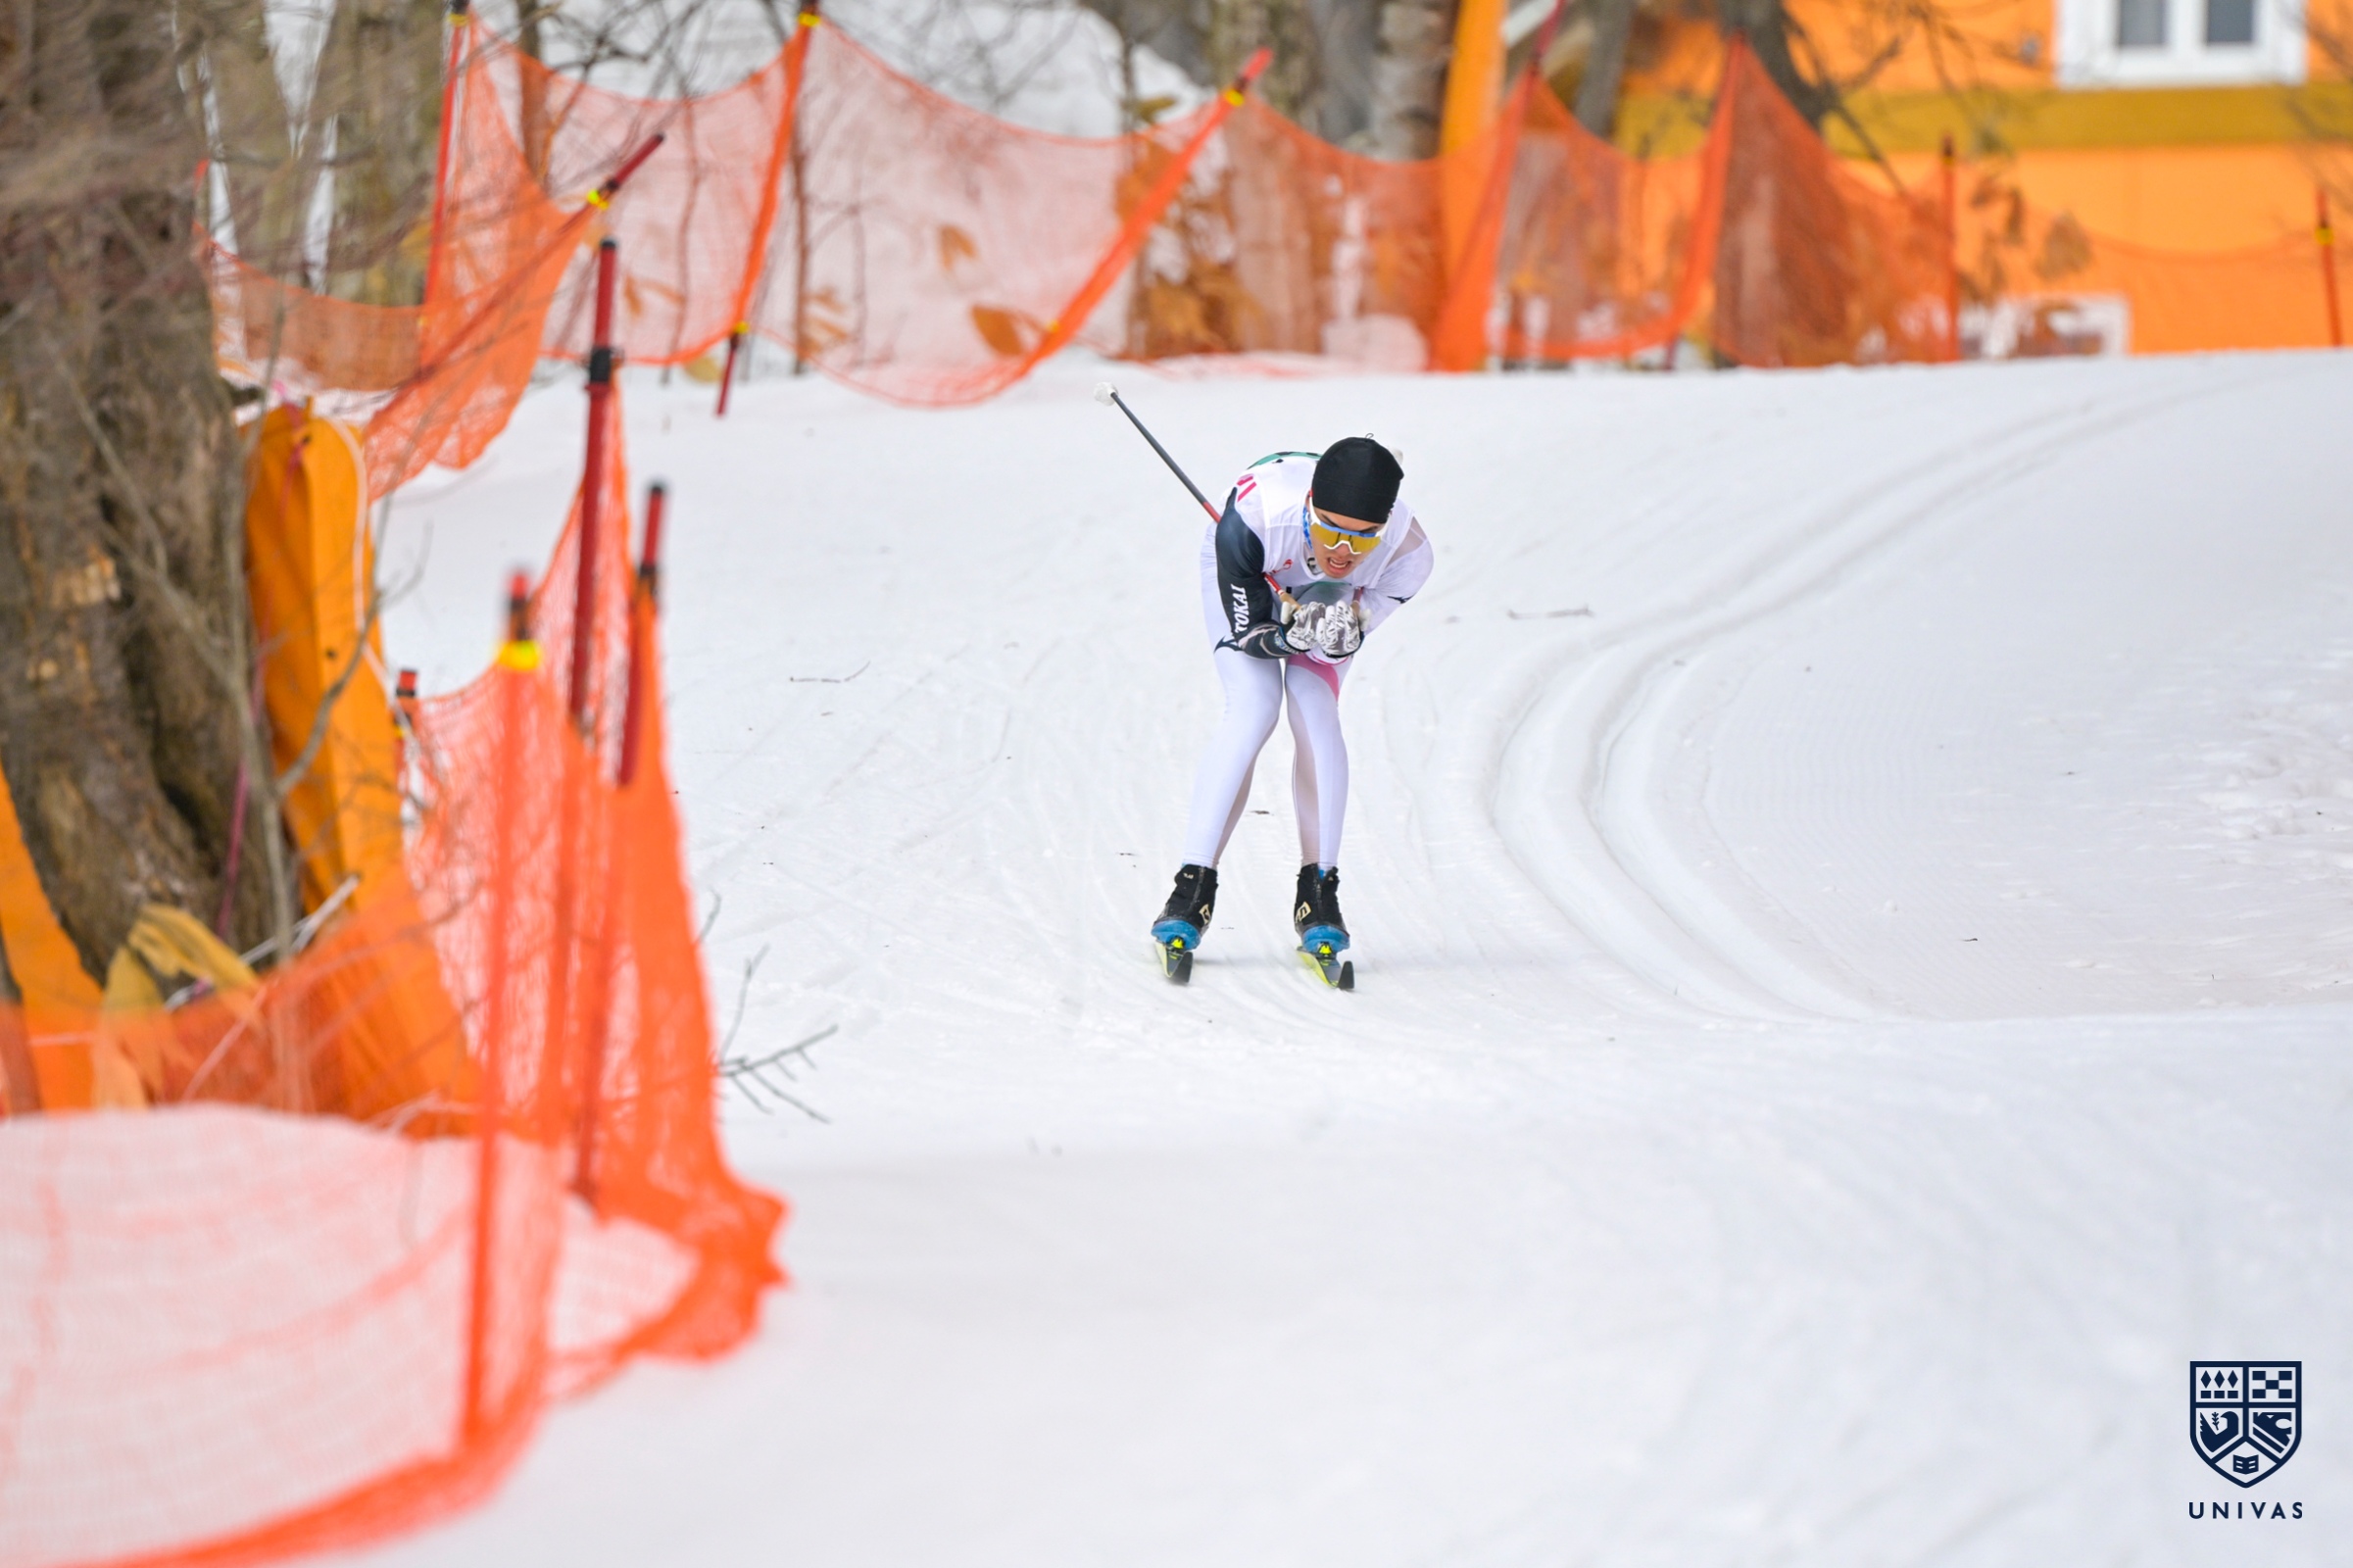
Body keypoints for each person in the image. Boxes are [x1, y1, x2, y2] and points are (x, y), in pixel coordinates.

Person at [1152, 436, 1434, 961]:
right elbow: (1249, 633)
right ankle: (1192, 887)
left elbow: (1345, 632)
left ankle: (1319, 892)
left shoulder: (1408, 555)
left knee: (1313, 704)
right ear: (1308, 505)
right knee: (1255, 705)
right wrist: (1286, 637)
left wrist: (1338, 633)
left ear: (1384, 527)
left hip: (1327, 593)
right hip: (1258, 565)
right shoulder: (1251, 520)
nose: (1343, 551)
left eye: (1363, 537)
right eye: (1331, 529)